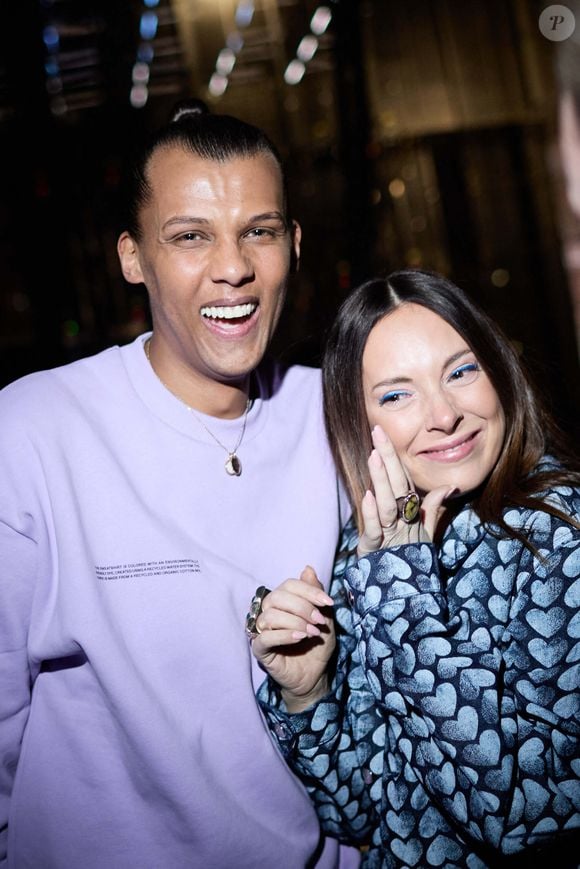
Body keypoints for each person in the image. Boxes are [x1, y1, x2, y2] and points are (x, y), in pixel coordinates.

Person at [0, 100, 359, 868]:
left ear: (293, 245)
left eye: (258, 230)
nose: (232, 267)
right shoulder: (34, 431)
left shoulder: (337, 415)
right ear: (132, 257)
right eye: (190, 236)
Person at [251, 269, 580, 867]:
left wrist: (402, 594)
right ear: (358, 420)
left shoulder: (560, 531)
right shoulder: (369, 546)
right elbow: (362, 814)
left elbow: (521, 817)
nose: (444, 415)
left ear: (498, 371)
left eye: (461, 371)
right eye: (397, 394)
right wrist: (308, 694)